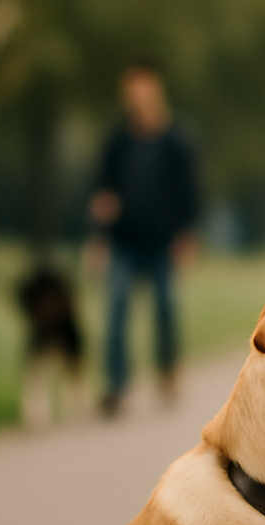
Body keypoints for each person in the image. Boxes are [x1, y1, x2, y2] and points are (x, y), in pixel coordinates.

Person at [89, 60, 199, 415]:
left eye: (142, 90)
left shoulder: (177, 139)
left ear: (156, 91)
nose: (136, 99)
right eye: (130, 92)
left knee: (166, 308)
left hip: (163, 240)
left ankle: (168, 371)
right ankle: (116, 386)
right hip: (124, 239)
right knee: (117, 308)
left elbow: (190, 191)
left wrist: (186, 235)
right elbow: (103, 192)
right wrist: (99, 238)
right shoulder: (117, 141)